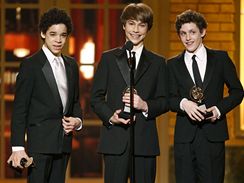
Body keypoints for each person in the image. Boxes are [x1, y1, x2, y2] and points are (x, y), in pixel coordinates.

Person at [90, 3, 168, 183]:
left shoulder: (158, 63)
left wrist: (145, 105)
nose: (136, 30)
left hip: (145, 143)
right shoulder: (108, 58)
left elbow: (165, 100)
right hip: (115, 140)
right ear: (124, 25)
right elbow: (96, 98)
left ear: (148, 28)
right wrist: (111, 116)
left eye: (142, 25)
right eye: (132, 23)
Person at [7, 8, 83, 183]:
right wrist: (18, 147)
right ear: (43, 33)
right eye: (53, 34)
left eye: (63, 35)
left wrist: (77, 121)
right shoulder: (30, 65)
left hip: (64, 143)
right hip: (39, 145)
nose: (58, 40)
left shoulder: (71, 65)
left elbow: (75, 102)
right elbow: (20, 109)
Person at [167, 9, 244, 183]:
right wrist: (183, 103)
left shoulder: (221, 59)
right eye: (183, 33)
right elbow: (168, 98)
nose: (188, 38)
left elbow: (238, 92)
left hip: (213, 135)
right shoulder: (172, 65)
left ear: (203, 32)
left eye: (192, 32)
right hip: (185, 139)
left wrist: (218, 109)